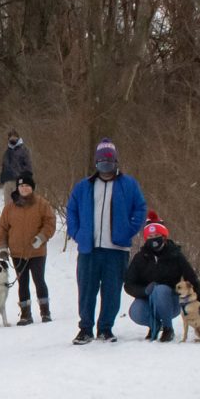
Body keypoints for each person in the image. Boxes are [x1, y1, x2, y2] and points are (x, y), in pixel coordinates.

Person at [66, 138, 146, 344]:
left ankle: (105, 328)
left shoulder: (128, 184)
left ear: (116, 161)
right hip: (89, 248)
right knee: (87, 290)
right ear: (96, 162)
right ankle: (85, 328)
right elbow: (72, 210)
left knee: (112, 291)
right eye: (102, 161)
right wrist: (77, 232)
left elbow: (140, 208)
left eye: (109, 161)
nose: (106, 165)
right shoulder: (84, 186)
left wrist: (129, 230)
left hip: (117, 248)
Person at [124, 212, 200, 342]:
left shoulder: (175, 255)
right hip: (148, 300)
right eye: (151, 236)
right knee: (135, 311)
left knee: (161, 289)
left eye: (157, 235)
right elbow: (129, 284)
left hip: (170, 302)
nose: (154, 239)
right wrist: (144, 291)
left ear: (164, 237)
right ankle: (154, 325)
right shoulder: (140, 258)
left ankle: (167, 328)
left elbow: (192, 280)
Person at [0, 172, 56, 324]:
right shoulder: (10, 207)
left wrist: (41, 237)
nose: (24, 189)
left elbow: (50, 223)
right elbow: (2, 228)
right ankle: (25, 314)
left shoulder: (42, 204)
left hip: (37, 251)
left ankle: (45, 311)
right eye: (21, 186)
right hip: (17, 252)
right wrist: (3, 247)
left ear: (32, 188)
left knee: (39, 280)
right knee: (22, 283)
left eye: (27, 186)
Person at [0, 129, 34, 205]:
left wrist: (25, 179)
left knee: (19, 203)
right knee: (7, 205)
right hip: (7, 181)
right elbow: (4, 166)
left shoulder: (24, 150)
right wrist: (2, 178)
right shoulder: (7, 152)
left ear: (18, 138)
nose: (12, 139)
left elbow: (28, 166)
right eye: (11, 138)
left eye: (14, 138)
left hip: (19, 181)